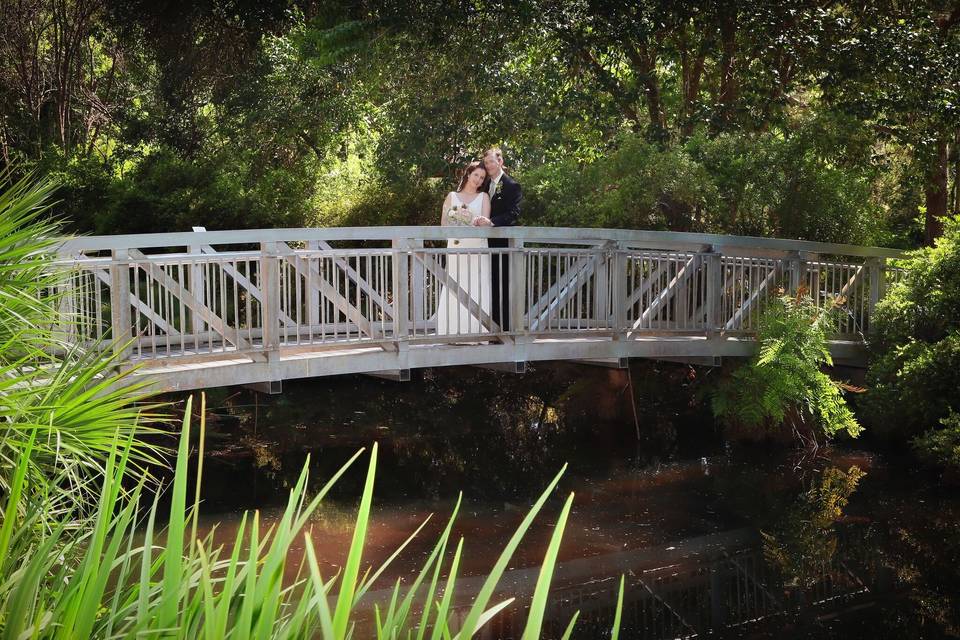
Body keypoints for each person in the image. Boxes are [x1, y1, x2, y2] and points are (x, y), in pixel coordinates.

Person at [436, 161, 493, 336]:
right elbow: (443, 226)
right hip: (456, 247)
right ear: (468, 174)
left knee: (476, 287)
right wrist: (457, 223)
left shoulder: (484, 197)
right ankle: (452, 332)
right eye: (476, 175)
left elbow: (485, 223)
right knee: (455, 286)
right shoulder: (452, 196)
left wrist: (478, 222)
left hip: (477, 248)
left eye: (482, 178)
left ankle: (476, 333)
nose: (478, 180)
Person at [479, 147, 522, 331]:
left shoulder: (512, 185)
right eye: (486, 162)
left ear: (500, 162)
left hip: (502, 245)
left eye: (491, 162)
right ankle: (488, 327)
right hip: (483, 244)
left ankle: (502, 329)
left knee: (501, 285)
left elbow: (514, 214)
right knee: (486, 284)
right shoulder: (484, 184)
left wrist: (491, 222)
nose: (488, 165)